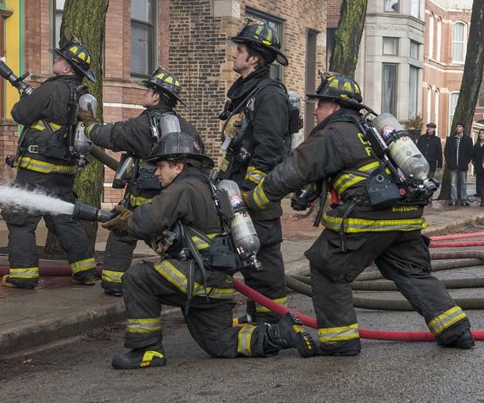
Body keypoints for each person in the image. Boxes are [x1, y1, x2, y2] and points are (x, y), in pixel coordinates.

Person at [243, 73, 474, 356]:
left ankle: (340, 340)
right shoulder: (370, 131)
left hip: (367, 216)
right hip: (405, 216)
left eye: (320, 103)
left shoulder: (332, 134)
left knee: (327, 268)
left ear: (336, 106)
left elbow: (293, 171)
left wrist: (254, 200)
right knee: (411, 273)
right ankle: (455, 329)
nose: (315, 110)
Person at [102, 132, 316, 369]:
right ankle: (281, 334)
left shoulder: (182, 188)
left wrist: (127, 221)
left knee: (137, 278)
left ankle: (146, 349)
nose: (156, 172)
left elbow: (147, 221)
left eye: (161, 166)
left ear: (178, 166)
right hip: (217, 282)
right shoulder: (208, 186)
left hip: (194, 277)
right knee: (219, 342)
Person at [78, 67, 204, 297]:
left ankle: (114, 283)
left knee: (122, 233)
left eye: (148, 90)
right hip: (174, 198)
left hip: (142, 197)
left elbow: (109, 136)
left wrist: (87, 123)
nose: (144, 93)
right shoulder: (187, 128)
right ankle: (183, 281)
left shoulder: (142, 124)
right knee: (172, 239)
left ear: (156, 96)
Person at [0, 37, 99, 289]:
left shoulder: (52, 87)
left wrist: (27, 98)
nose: (55, 60)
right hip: (64, 171)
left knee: (20, 217)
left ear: (67, 68)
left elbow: (20, 114)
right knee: (64, 217)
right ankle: (85, 271)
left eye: (60, 58)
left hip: (37, 168)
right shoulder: (83, 94)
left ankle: (23, 276)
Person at [215, 19, 291, 324]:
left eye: (240, 49)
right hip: (237, 187)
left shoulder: (269, 95)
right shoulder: (248, 91)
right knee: (248, 256)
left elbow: (269, 148)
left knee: (263, 258)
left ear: (255, 58)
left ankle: (272, 322)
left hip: (253, 194)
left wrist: (250, 191)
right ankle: (260, 317)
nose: (234, 54)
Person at [444, 123, 473, 206]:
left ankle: (464, 199)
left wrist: (466, 161)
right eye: (457, 126)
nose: (458, 128)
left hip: (463, 165)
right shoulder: (450, 139)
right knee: (453, 183)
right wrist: (449, 161)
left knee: (463, 182)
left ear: (463, 128)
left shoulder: (468, 139)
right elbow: (447, 151)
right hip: (453, 164)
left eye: (460, 126)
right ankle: (454, 199)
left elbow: (470, 152)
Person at [472, 128, 484, 206]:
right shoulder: (476, 145)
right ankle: (483, 199)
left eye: (483, 133)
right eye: (480, 133)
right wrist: (474, 161)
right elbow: (474, 155)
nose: (481, 135)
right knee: (480, 183)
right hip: (478, 166)